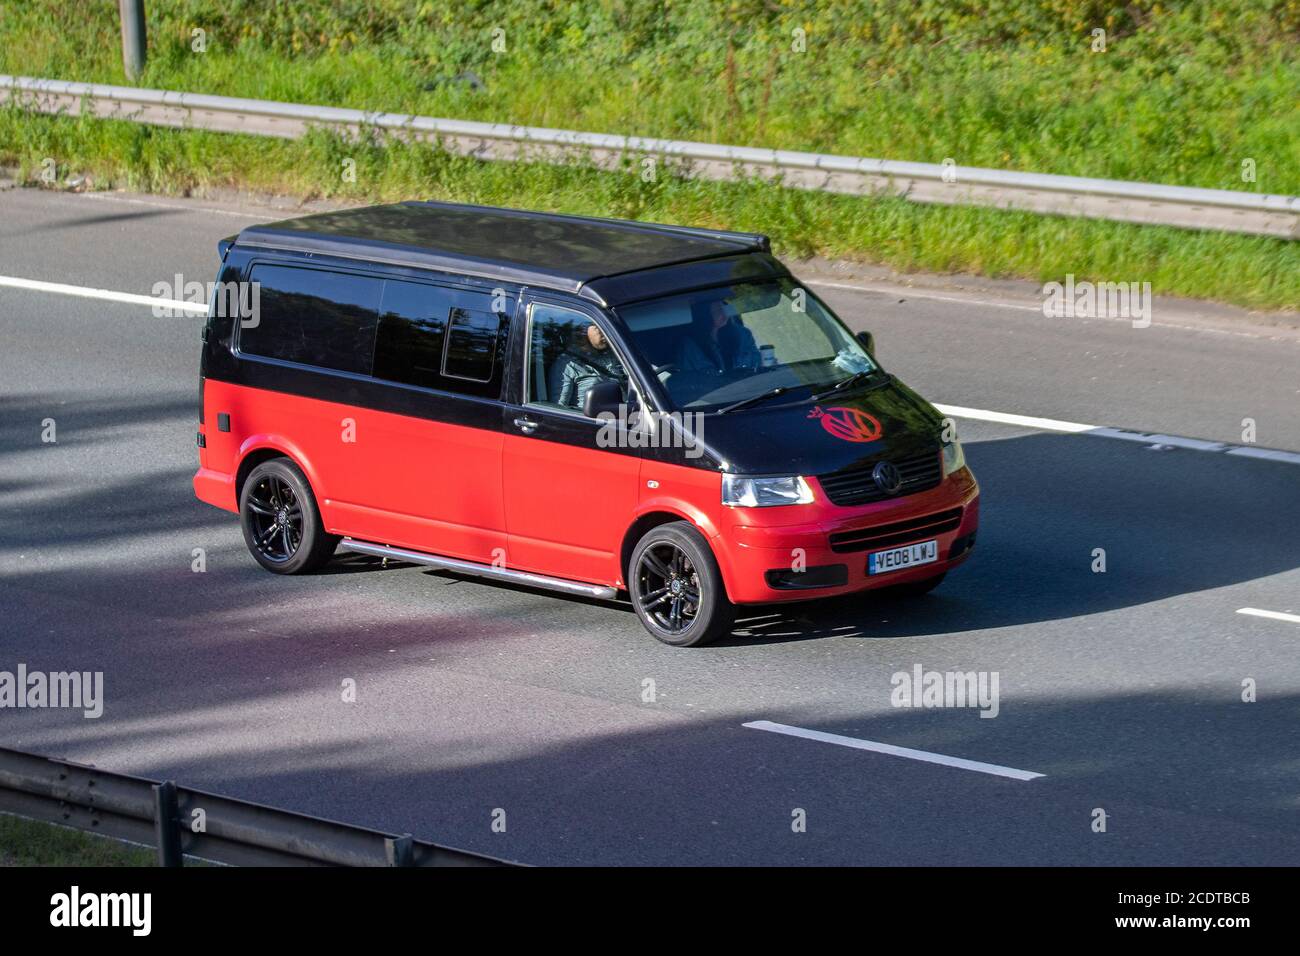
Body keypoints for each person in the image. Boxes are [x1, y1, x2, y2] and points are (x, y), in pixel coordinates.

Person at [551, 323, 627, 411]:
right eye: (598, 328)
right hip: (592, 421)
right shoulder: (566, 364)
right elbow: (558, 408)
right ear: (584, 332)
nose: (606, 333)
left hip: (626, 415)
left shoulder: (614, 355)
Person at [674, 299, 760, 374]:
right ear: (704, 314)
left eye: (724, 308)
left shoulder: (742, 333)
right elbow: (691, 380)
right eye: (718, 310)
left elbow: (758, 362)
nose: (724, 313)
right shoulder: (689, 346)